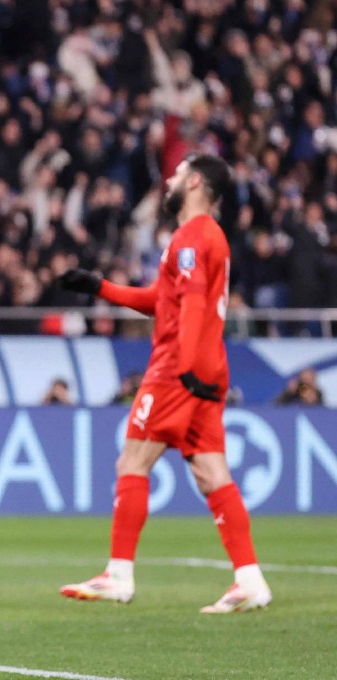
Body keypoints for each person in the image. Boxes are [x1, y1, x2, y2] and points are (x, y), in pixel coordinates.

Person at [57, 153, 272, 614]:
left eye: (176, 175)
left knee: (132, 462)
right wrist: (100, 287)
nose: (170, 181)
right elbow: (163, 299)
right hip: (208, 368)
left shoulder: (193, 235)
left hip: (179, 367)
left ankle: (118, 574)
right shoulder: (208, 237)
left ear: (194, 182)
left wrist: (188, 367)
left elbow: (191, 304)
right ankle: (250, 579)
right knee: (212, 473)